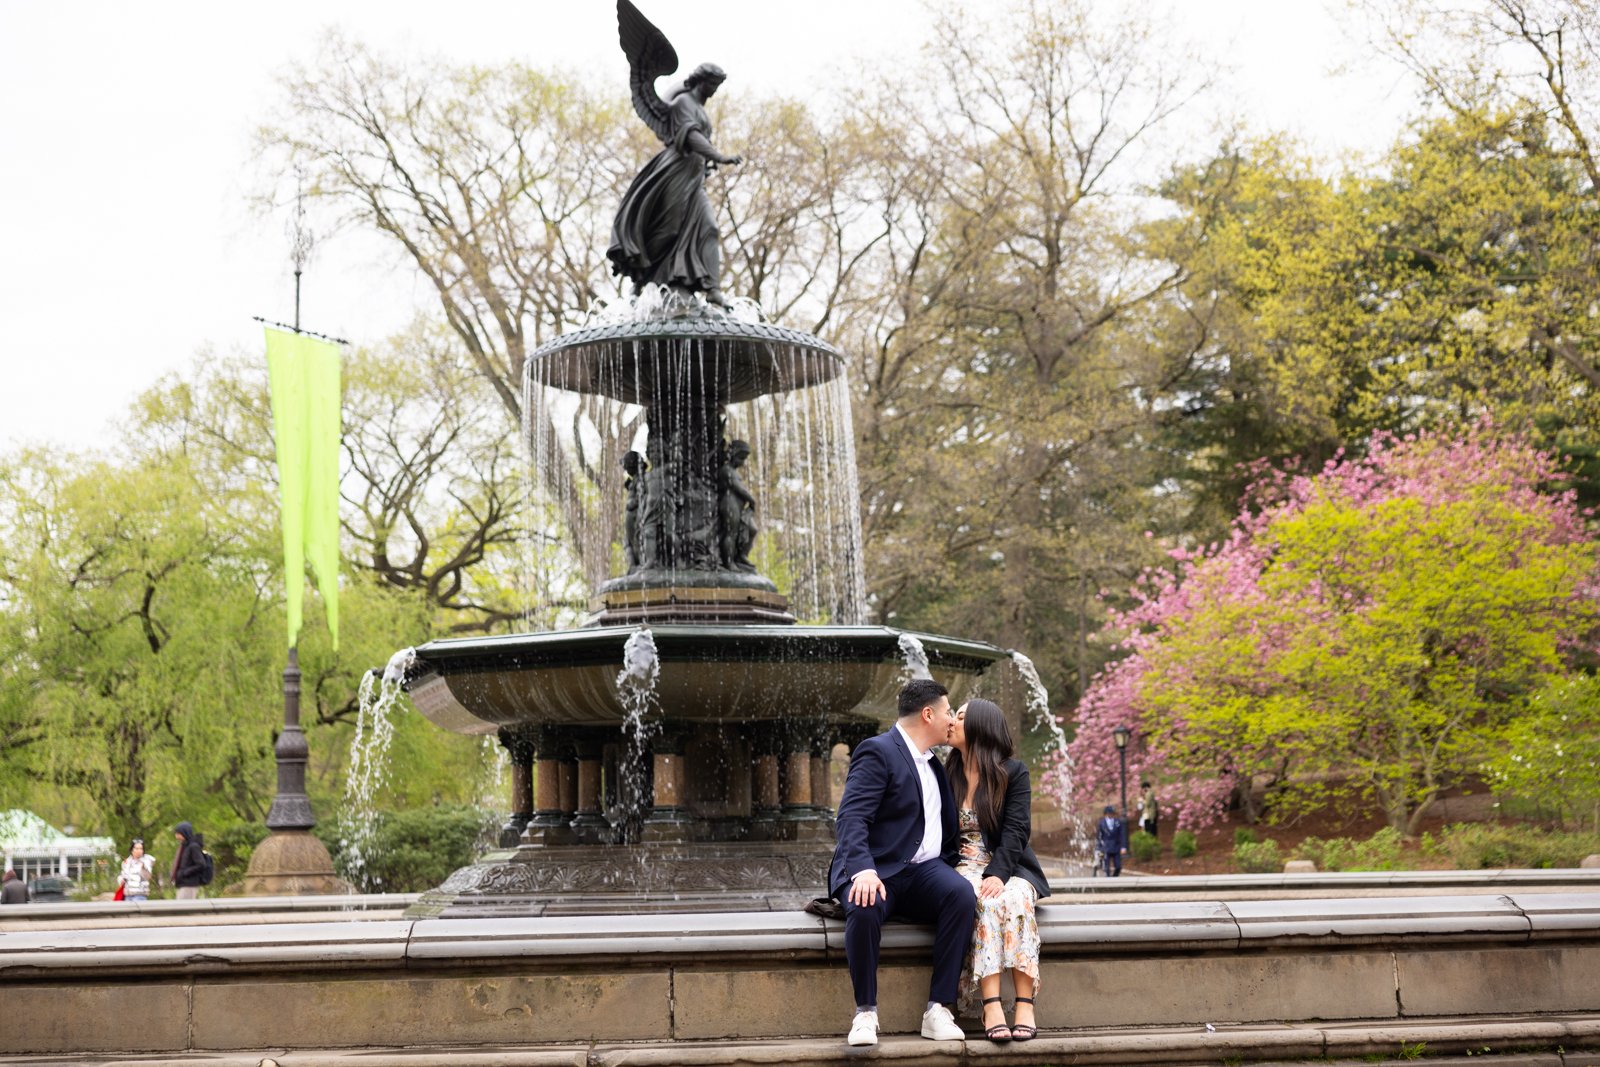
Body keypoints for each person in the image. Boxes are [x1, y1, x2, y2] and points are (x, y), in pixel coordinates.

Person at [829, 678, 975, 1047]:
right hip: (877, 869)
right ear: (928, 714)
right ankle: (865, 1012)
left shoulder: (936, 766)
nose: (951, 721)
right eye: (947, 712)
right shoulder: (878, 751)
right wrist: (861, 869)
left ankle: (938, 1009)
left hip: (924, 872)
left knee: (960, 895)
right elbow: (851, 817)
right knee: (864, 904)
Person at [944, 698, 1050, 1043]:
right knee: (983, 902)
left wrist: (998, 874)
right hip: (961, 866)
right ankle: (991, 1005)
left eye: (959, 717)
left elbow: (1018, 830)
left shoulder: (1013, 773)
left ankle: (1024, 1003)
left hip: (1008, 865)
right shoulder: (945, 772)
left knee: (1016, 899)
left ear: (979, 726)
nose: (951, 722)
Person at [171, 822, 205, 899]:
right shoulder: (184, 846)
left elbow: (201, 864)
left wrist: (185, 872)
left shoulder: (193, 847)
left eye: (178, 834)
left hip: (189, 883)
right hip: (182, 883)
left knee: (183, 908)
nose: (176, 836)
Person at [1096, 805, 1128, 878]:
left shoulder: (1118, 822)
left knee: (1118, 866)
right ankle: (1108, 879)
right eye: (1109, 813)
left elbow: (1122, 834)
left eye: (1112, 813)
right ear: (1106, 814)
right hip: (1105, 847)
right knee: (1106, 866)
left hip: (1116, 846)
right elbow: (1099, 836)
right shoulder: (1101, 823)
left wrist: (1123, 846)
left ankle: (1114, 877)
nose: (1111, 814)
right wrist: (1099, 847)